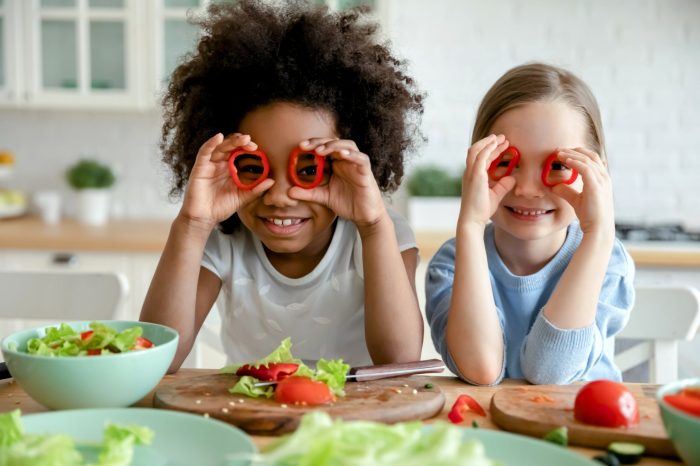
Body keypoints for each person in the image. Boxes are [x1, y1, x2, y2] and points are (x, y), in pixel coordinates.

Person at [140, 0, 425, 372]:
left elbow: (400, 360)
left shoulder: (378, 234)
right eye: (252, 168)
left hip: (354, 417)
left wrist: (374, 228)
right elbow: (158, 358)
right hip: (251, 416)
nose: (278, 196)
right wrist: (191, 225)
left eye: (309, 170)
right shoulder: (223, 238)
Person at [425, 63, 635, 385]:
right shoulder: (452, 263)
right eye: (506, 162)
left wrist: (599, 233)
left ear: (597, 176)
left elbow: (550, 372)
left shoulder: (608, 260)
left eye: (558, 165)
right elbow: (480, 369)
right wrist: (470, 225)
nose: (526, 189)